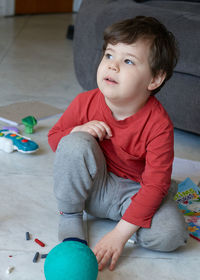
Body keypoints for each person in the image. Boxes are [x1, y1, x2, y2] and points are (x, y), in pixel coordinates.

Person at [48, 16, 188, 271]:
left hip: (133, 192)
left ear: (154, 79)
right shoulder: (85, 102)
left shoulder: (159, 125)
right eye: (109, 55)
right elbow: (54, 140)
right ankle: (70, 214)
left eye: (128, 61)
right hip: (93, 187)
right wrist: (77, 130)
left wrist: (120, 234)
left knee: (172, 235)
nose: (112, 66)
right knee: (74, 142)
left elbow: (153, 185)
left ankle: (135, 216)